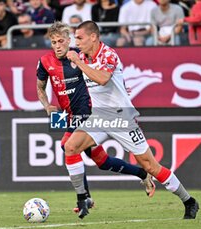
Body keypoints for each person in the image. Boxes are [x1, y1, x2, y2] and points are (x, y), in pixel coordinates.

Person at [65, 20, 199, 219]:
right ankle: (82, 198)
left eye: (79, 37)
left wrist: (78, 62)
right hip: (100, 116)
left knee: (151, 166)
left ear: (93, 37)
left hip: (122, 117)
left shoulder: (108, 54)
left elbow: (102, 79)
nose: (76, 42)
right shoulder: (82, 56)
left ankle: (189, 201)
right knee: (70, 147)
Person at [36, 21, 156, 218]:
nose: (57, 46)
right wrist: (47, 105)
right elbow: (40, 87)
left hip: (91, 112)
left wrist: (120, 89)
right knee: (101, 161)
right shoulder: (44, 61)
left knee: (67, 145)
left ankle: (84, 198)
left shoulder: (81, 56)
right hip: (66, 114)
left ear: (69, 40)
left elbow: (106, 75)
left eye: (61, 41)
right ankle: (142, 174)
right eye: (53, 42)